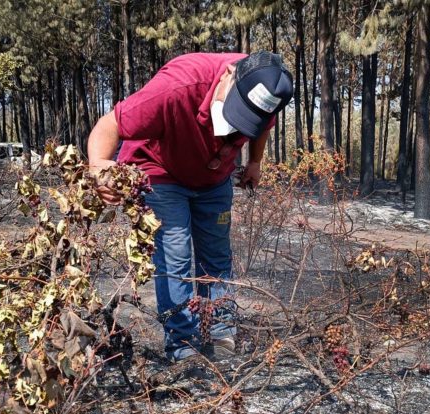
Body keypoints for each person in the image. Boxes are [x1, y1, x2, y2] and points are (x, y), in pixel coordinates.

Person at [87, 51, 293, 362]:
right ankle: (183, 346)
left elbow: (262, 127)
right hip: (161, 170)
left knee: (217, 255)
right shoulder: (177, 87)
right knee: (175, 256)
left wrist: (254, 162)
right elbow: (109, 124)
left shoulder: (267, 89)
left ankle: (221, 330)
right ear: (227, 76)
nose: (232, 125)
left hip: (213, 176)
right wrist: (99, 167)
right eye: (234, 111)